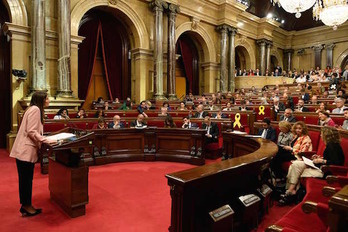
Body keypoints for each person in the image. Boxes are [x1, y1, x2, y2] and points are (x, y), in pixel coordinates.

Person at [10, 91, 56, 217]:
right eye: (47, 98)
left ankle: (26, 205)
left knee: (25, 180)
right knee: (26, 180)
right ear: (41, 99)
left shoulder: (31, 108)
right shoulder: (36, 109)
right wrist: (46, 140)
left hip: (22, 150)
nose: (49, 100)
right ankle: (26, 206)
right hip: (25, 151)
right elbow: (31, 131)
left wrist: (43, 137)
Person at [280, 127, 344, 205]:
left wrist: (322, 160)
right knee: (295, 165)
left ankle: (290, 192)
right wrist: (319, 158)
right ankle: (291, 190)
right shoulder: (330, 144)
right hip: (319, 165)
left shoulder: (333, 146)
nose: (321, 136)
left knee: (301, 170)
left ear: (327, 135)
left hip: (326, 171)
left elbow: (337, 162)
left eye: (322, 134)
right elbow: (329, 158)